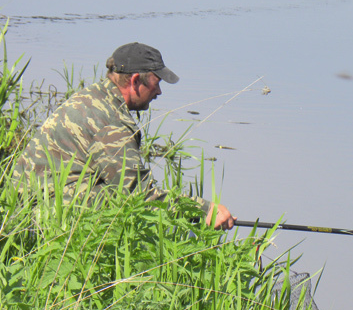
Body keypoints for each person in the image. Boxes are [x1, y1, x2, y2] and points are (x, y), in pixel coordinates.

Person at [13, 42, 236, 230]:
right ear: (136, 80)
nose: (159, 92)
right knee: (125, 207)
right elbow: (137, 194)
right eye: (157, 84)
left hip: (24, 200)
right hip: (40, 211)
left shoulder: (93, 95)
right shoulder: (111, 123)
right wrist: (203, 210)